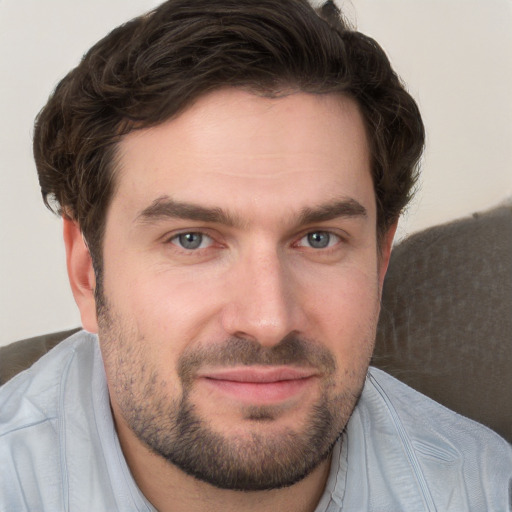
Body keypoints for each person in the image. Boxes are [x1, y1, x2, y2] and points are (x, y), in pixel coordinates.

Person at [0, 0, 510, 510]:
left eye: (319, 239)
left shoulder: (481, 491)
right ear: (87, 272)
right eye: (192, 239)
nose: (269, 321)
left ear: (379, 262)